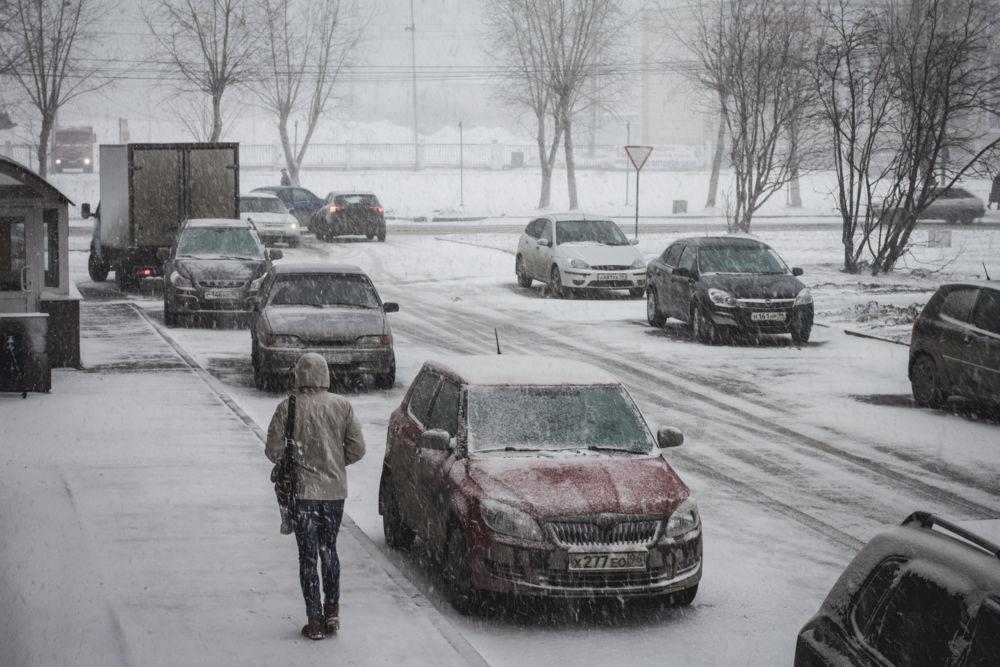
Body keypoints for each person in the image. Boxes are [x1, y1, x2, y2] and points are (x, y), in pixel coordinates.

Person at [265, 353, 366, 640]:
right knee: (328, 549)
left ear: (298, 376)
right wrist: (334, 462)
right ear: (325, 375)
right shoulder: (342, 406)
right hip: (334, 493)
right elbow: (358, 449)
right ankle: (333, 610)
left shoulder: (288, 407)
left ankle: (315, 621)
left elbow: (272, 452)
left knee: (308, 557)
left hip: (304, 493)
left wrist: (297, 457)